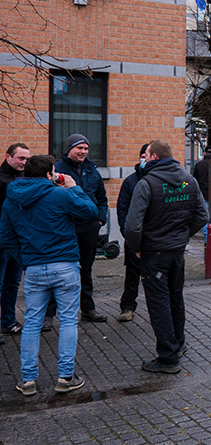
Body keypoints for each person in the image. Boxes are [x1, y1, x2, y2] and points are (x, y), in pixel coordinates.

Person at [1, 155, 98, 394]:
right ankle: (65, 377)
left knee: (32, 323)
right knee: (67, 320)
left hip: (34, 268)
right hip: (64, 265)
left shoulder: (11, 199)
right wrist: (74, 188)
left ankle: (28, 380)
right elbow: (91, 212)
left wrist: (25, 260)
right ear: (48, 174)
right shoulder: (60, 194)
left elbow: (6, 236)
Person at [125, 140, 208, 375]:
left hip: (153, 253)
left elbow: (133, 226)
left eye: (147, 154)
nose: (144, 158)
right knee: (175, 297)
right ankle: (178, 343)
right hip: (177, 252)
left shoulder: (146, 183)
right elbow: (202, 216)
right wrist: (182, 235)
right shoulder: (188, 180)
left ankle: (168, 357)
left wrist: (137, 248)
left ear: (153, 157)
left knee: (158, 303)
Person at [51, 134, 108, 323]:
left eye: (86, 148)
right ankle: (49, 315)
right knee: (58, 271)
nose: (83, 152)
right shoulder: (57, 170)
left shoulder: (93, 170)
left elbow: (102, 198)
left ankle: (88, 309)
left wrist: (100, 220)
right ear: (69, 149)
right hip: (65, 228)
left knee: (86, 269)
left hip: (89, 229)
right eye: (79, 148)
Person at [114, 143, 150, 321]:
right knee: (132, 274)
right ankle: (127, 306)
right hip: (134, 236)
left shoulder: (162, 180)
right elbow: (122, 208)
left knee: (154, 275)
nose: (145, 159)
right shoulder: (130, 181)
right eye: (142, 155)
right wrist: (127, 232)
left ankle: (157, 308)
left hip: (154, 237)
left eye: (148, 155)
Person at [0, 142, 30, 340]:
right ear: (8, 156)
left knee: (12, 282)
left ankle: (8, 321)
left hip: (17, 240)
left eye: (27, 159)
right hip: (2, 240)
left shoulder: (23, 178)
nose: (24, 162)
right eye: (21, 158)